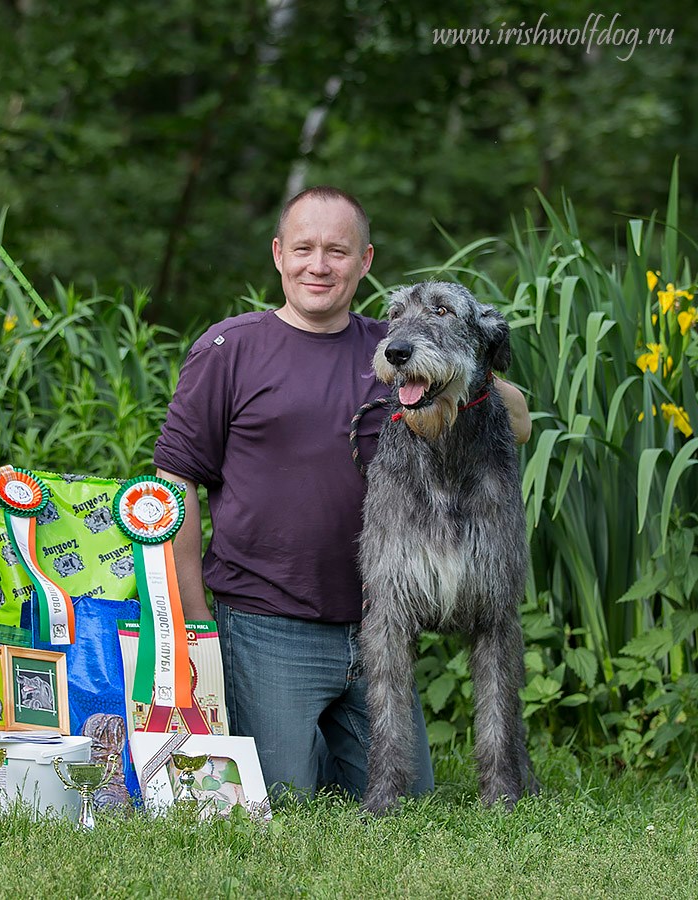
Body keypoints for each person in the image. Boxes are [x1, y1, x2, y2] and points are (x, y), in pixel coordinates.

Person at [154, 186, 531, 801]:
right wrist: (196, 626)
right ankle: (300, 743)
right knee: (284, 798)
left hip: (373, 626)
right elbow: (175, 487)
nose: (318, 264)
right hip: (267, 622)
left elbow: (514, 421)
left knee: (407, 801)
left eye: (337, 250)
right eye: (303, 248)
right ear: (278, 255)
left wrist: (473, 372)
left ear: (365, 261)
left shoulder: (396, 343)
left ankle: (328, 744)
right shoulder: (230, 348)